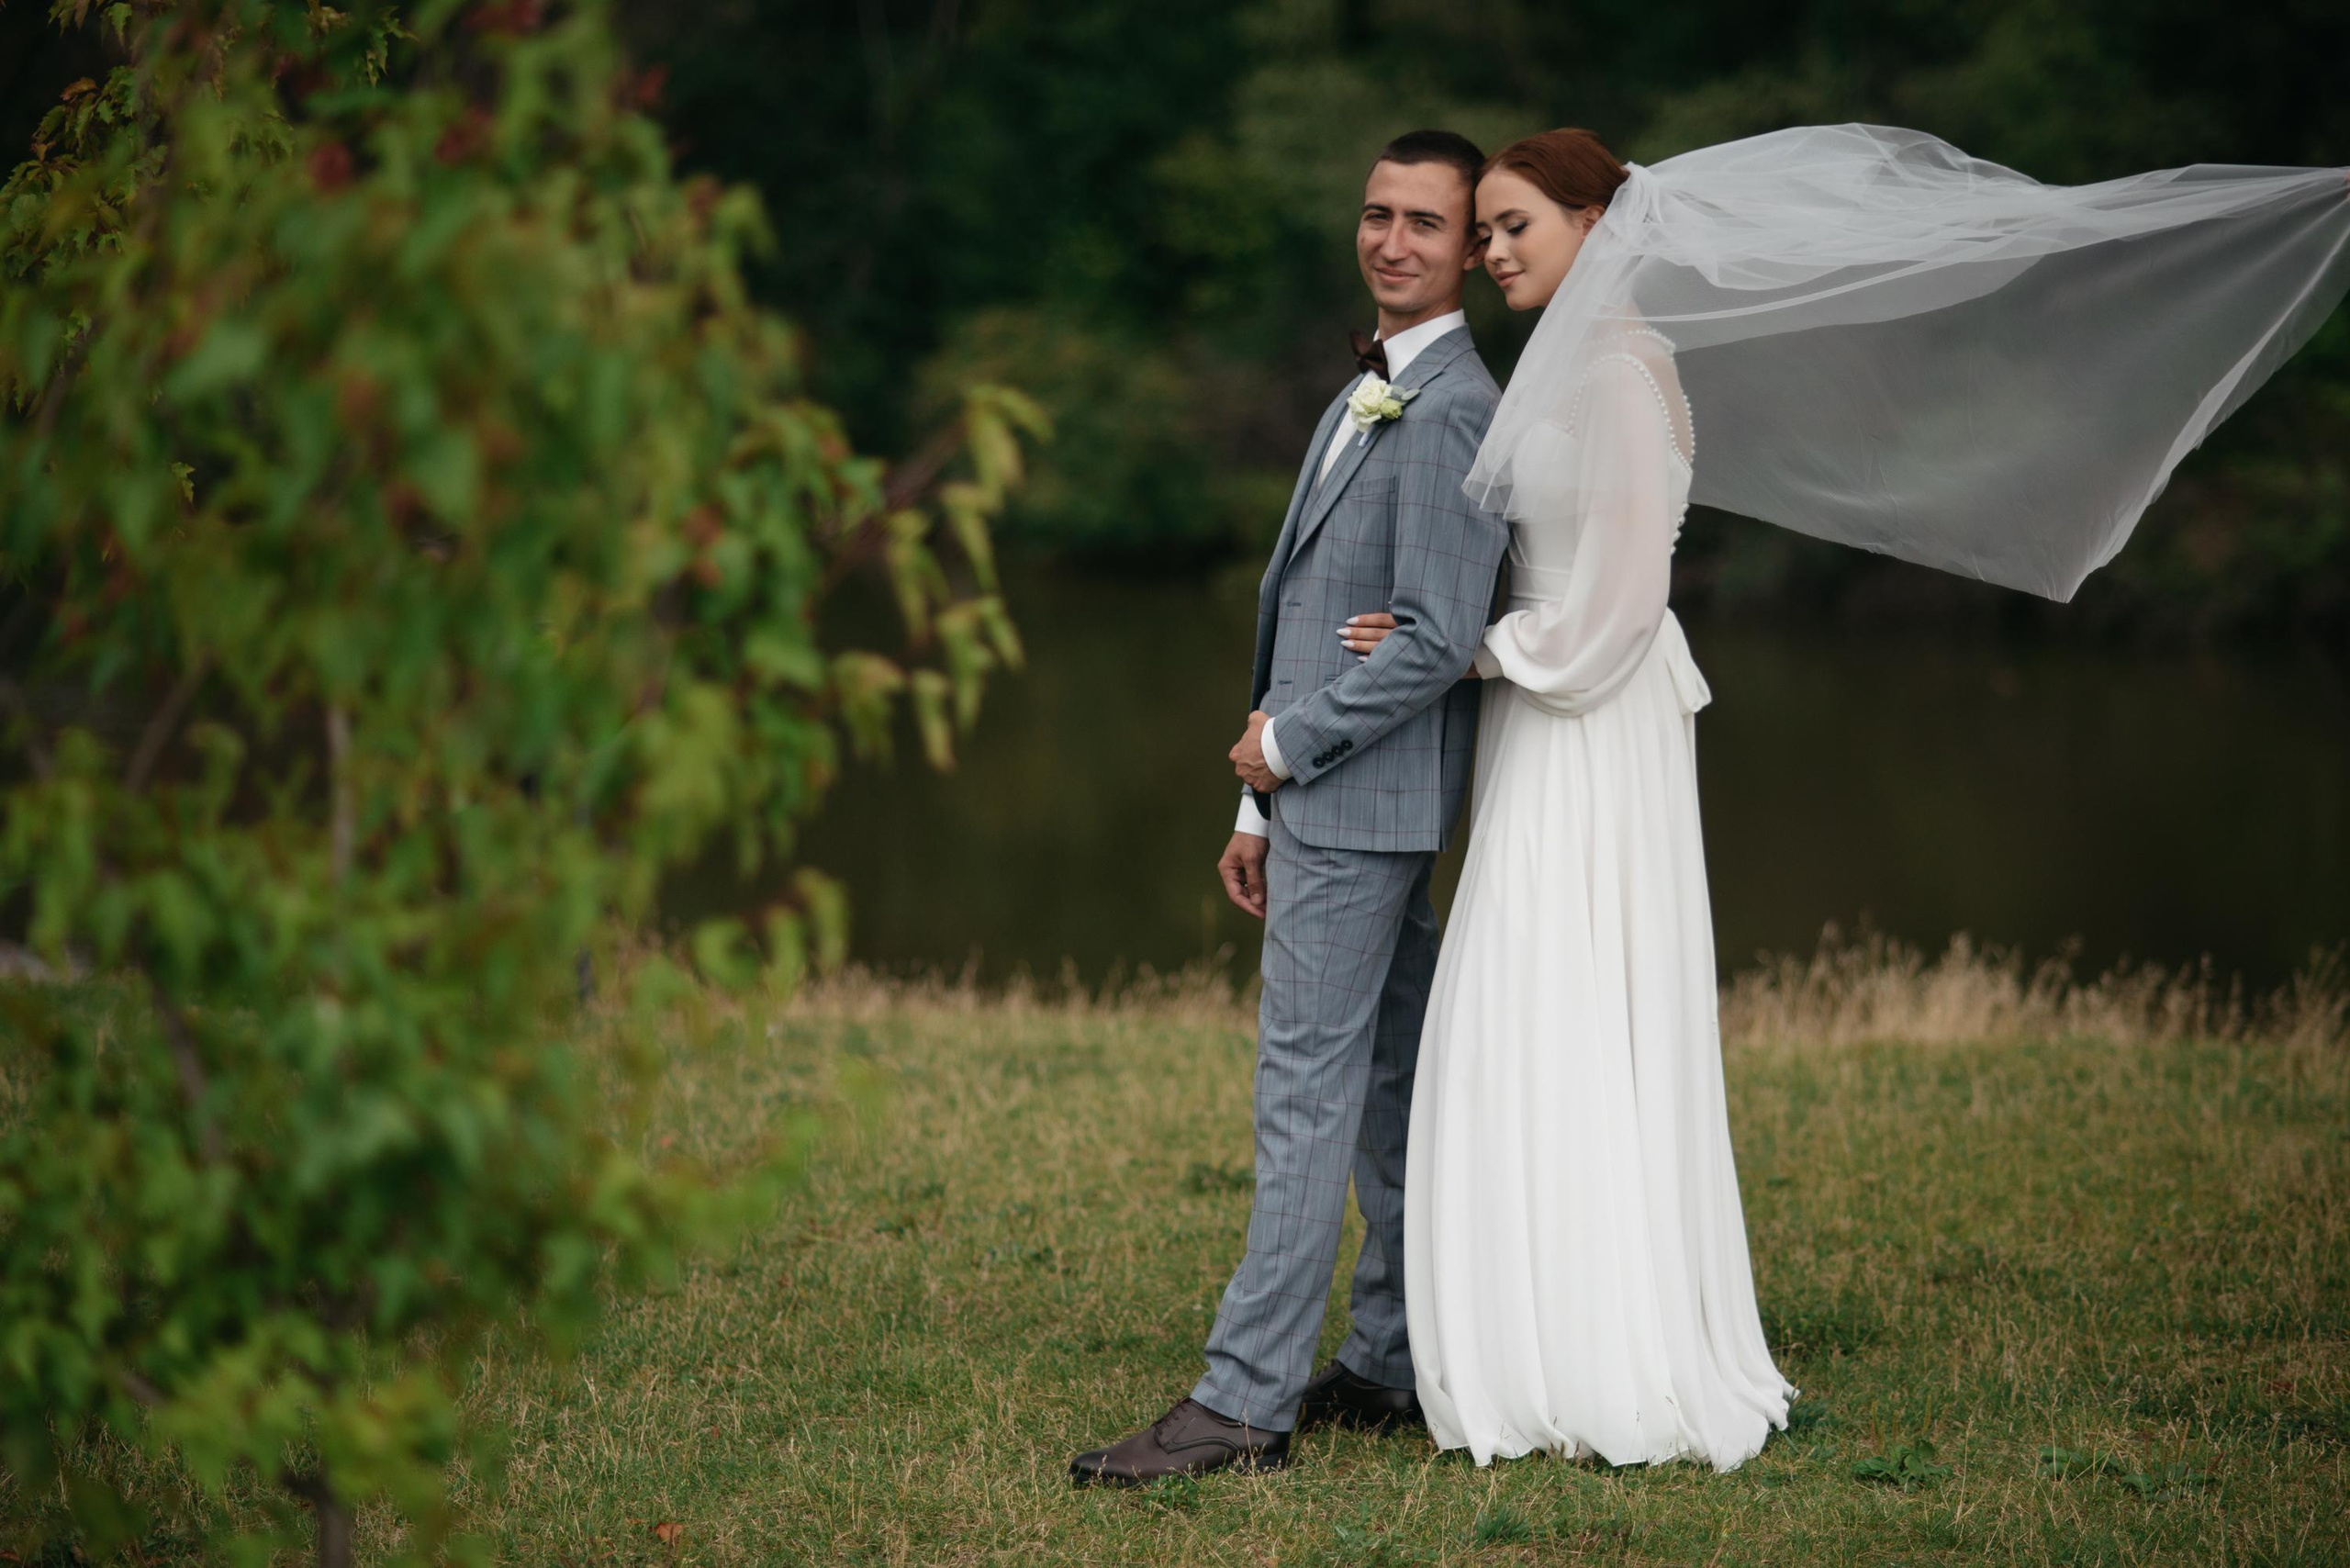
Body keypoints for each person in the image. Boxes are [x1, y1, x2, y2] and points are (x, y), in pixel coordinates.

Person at [1068, 129, 1509, 1486]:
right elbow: (1309, 617)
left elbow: (1435, 639)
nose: (1392, 241)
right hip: (1329, 799)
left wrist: (1290, 749)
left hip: (1361, 796)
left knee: (1302, 1099)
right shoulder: (1367, 390)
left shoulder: (1453, 409)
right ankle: (1389, 1357)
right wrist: (1257, 807)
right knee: (1385, 1090)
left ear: (1470, 250)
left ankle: (1243, 1401)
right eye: (1377, 214)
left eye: (1425, 223)